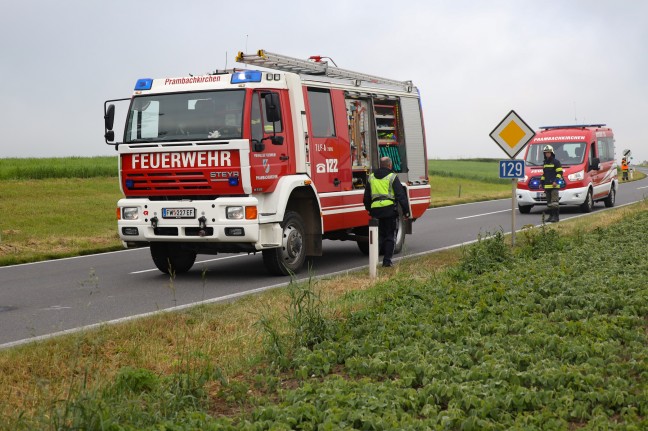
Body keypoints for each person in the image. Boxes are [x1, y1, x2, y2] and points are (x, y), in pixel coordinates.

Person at [363, 156, 410, 267]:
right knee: (389, 236)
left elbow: (366, 198)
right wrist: (406, 211)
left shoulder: (371, 177)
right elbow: (400, 196)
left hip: (376, 211)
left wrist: (369, 209)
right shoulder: (392, 177)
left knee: (377, 236)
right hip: (389, 210)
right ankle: (387, 261)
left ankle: (374, 262)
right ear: (390, 165)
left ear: (380, 165)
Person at [541, 145, 563, 223]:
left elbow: (560, 172)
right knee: (549, 203)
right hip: (547, 186)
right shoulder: (545, 163)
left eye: (548, 153)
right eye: (546, 153)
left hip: (554, 186)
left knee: (554, 203)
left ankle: (556, 217)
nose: (547, 154)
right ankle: (551, 216)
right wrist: (541, 183)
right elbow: (544, 174)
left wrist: (556, 181)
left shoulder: (556, 162)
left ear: (551, 153)